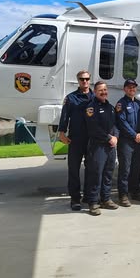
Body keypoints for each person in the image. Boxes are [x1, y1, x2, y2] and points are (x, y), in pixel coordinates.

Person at [58, 70, 94, 211]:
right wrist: (61, 132)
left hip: (91, 139)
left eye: (86, 79)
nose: (84, 81)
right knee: (73, 169)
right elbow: (64, 116)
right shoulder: (71, 98)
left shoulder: (94, 97)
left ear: (90, 80)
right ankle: (75, 199)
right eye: (81, 79)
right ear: (78, 80)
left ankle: (88, 195)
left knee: (91, 169)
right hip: (76, 139)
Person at [84, 81, 119, 216]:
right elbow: (93, 128)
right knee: (96, 174)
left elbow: (115, 125)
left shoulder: (110, 107)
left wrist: (116, 136)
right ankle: (93, 202)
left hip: (110, 146)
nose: (104, 92)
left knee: (108, 173)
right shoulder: (91, 108)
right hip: (98, 146)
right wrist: (109, 138)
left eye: (105, 90)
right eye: (100, 90)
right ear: (95, 92)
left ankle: (106, 199)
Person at [115, 79, 140, 207]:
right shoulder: (120, 104)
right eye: (129, 87)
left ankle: (135, 191)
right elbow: (122, 123)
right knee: (125, 169)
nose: (131, 89)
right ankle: (123, 195)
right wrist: (135, 135)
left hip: (138, 141)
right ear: (124, 89)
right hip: (126, 142)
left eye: (133, 87)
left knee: (137, 168)